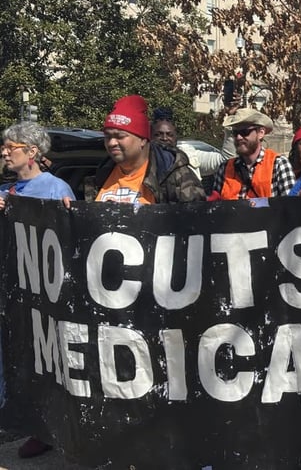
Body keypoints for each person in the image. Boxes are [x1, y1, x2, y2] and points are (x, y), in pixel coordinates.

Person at [0, 122, 75, 459]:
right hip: (11, 293)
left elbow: (71, 239)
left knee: (46, 362)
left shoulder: (54, 188)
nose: (3, 152)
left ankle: (50, 431)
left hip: (46, 297)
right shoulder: (8, 192)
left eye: (10, 147)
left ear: (31, 152)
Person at [93, 95, 205, 204]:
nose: (112, 143)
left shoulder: (173, 176)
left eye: (120, 136)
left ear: (142, 140)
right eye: (108, 136)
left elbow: (196, 219)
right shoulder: (101, 173)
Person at [212, 108, 296, 200]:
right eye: (235, 133)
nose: (239, 137)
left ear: (260, 133)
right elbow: (216, 208)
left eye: (245, 132)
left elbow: (290, 207)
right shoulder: (225, 168)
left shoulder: (278, 165)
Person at [150, 108, 234, 184]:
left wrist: (232, 120)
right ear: (150, 136)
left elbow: (226, 160)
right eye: (158, 135)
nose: (164, 138)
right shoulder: (142, 160)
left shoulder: (189, 155)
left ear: (176, 136)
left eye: (169, 134)